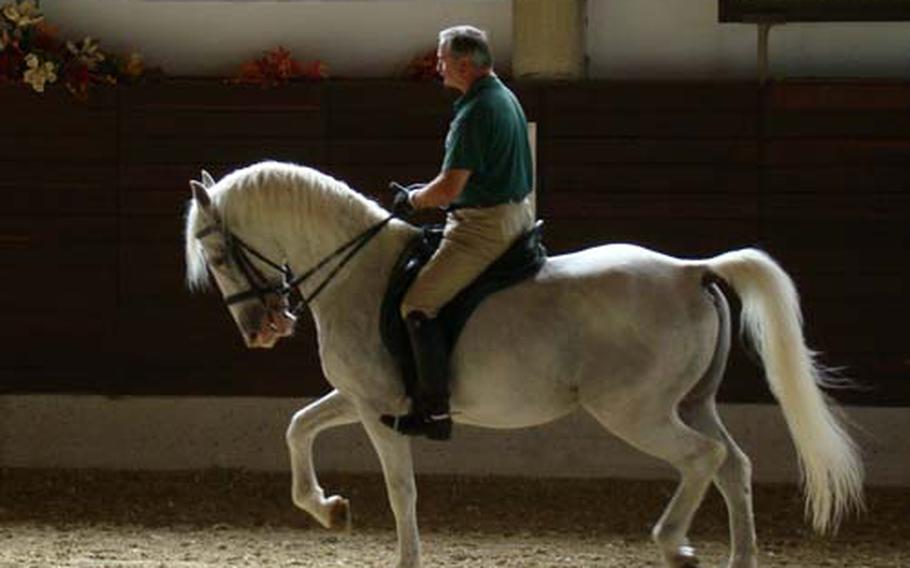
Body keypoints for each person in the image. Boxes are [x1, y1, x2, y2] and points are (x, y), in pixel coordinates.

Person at [380, 25, 535, 440]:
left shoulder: (473, 113)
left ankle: (434, 411)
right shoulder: (502, 96)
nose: (437, 66)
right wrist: (424, 194)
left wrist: (413, 201)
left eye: (442, 59)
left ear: (464, 65)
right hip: (514, 214)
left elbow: (450, 188)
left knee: (416, 304)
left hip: (482, 228)